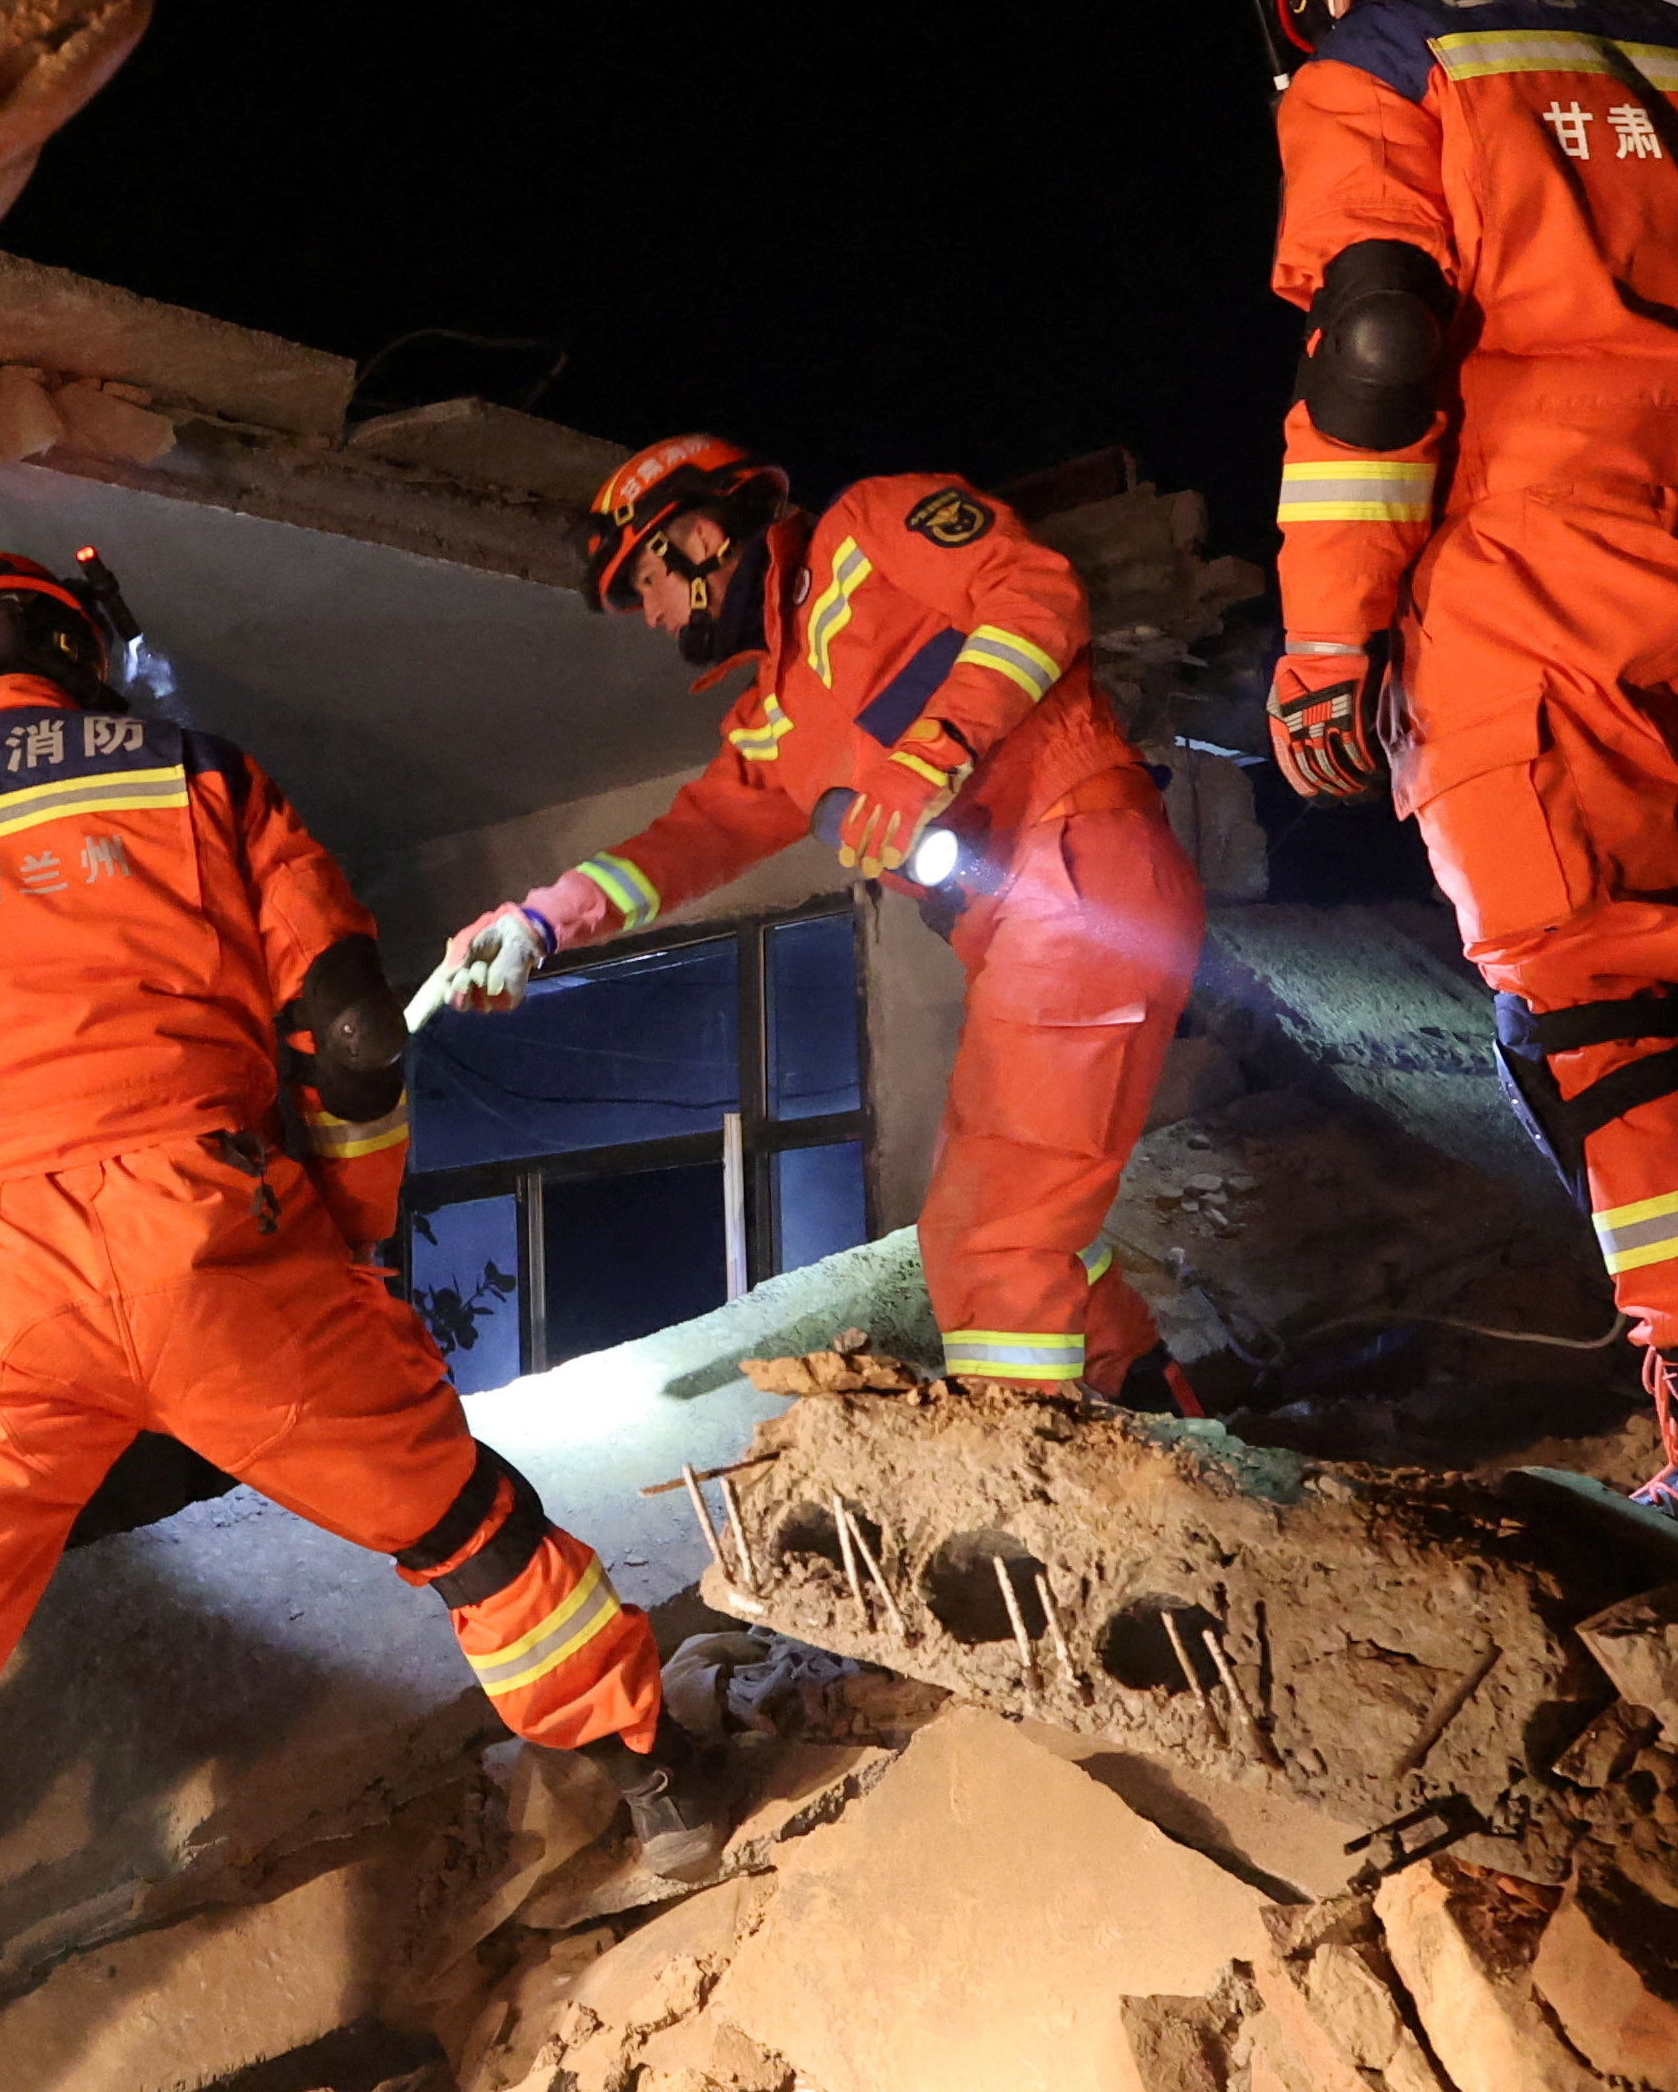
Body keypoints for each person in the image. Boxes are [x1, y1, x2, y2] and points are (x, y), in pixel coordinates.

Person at [0, 551, 702, 2092]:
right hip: (215, 1233)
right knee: (471, 1533)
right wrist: (340, 1226)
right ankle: (661, 1788)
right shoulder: (201, 778)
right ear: (84, 650)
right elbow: (353, 1031)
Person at [1247, 0, 1678, 1546]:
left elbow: (1376, 348)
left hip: (1533, 569)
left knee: (1603, 1014)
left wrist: (1326, 644)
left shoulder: (1380, 61)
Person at [423, 441, 1215, 1406]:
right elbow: (693, 839)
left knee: (993, 1230)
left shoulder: (871, 531)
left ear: (700, 536)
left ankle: (1029, 1489)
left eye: (647, 583)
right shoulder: (776, 715)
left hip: (1079, 864)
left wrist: (933, 750)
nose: (653, 616)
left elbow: (1035, 591)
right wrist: (541, 924)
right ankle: (1153, 1413)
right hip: (1028, 918)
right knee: (1003, 1214)